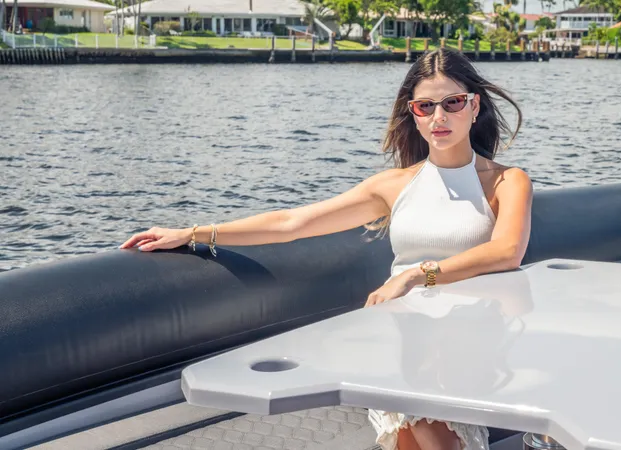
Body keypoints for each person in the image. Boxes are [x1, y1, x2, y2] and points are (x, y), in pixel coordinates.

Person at [120, 47, 533, 450]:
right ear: (414, 114)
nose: (439, 117)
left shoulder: (506, 181)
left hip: (469, 340)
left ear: (474, 106)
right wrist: (193, 233)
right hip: (404, 336)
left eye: (452, 103)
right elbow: (291, 224)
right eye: (425, 107)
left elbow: (506, 252)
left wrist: (415, 274)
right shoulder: (392, 185)